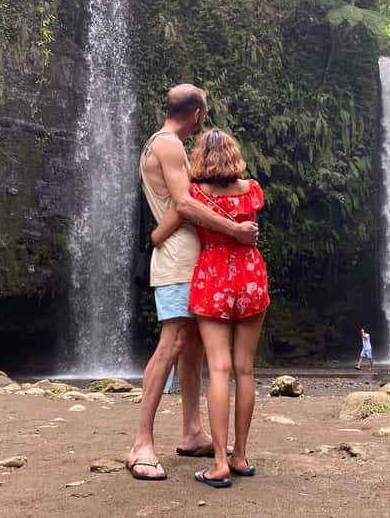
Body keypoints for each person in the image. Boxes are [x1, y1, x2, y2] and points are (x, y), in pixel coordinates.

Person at [126, 85, 259, 481]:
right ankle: (141, 444)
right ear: (198, 114)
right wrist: (236, 230)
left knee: (194, 344)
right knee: (174, 342)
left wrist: (155, 236)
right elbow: (184, 205)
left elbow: (178, 207)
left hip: (188, 255)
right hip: (179, 259)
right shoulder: (168, 145)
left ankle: (191, 430)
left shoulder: (166, 144)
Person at [154, 128, 269, 489]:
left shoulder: (195, 194)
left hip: (213, 278)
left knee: (217, 369)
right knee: (244, 370)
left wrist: (153, 240)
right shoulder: (251, 189)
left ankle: (219, 462)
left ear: (200, 157)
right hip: (250, 275)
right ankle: (241, 456)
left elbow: (162, 232)